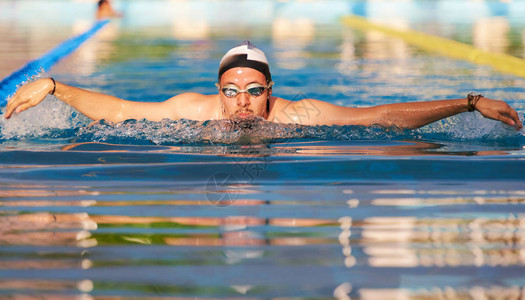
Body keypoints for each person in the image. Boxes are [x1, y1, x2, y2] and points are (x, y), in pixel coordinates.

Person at [3, 41, 522, 130]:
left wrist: (469, 102)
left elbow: (381, 116)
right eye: (231, 90)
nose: (242, 101)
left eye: (254, 90)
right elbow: (118, 110)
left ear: (270, 91)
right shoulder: (194, 110)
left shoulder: (300, 116)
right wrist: (53, 86)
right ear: (218, 89)